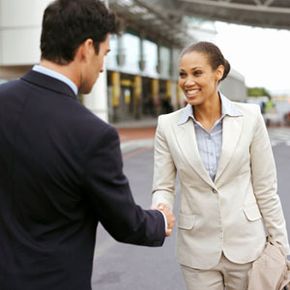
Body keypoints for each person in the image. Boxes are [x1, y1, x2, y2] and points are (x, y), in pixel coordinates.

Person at [0, 0, 175, 289]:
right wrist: (159, 220)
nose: (103, 67)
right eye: (104, 54)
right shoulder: (93, 134)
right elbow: (125, 223)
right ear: (86, 48)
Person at [151, 41, 289, 290]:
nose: (188, 82)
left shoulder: (250, 118)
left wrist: (281, 246)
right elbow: (163, 186)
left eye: (197, 73)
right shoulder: (167, 125)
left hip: (248, 248)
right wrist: (161, 209)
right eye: (183, 74)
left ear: (219, 72)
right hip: (197, 251)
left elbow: (266, 188)